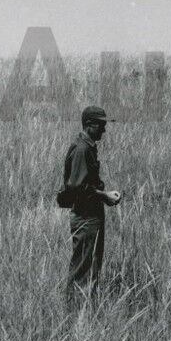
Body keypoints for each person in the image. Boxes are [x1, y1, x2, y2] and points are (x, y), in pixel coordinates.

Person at [57, 105, 122, 299]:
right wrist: (105, 196)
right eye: (100, 125)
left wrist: (103, 195)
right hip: (85, 217)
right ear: (88, 125)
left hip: (91, 215)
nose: (104, 129)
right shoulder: (82, 149)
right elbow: (77, 187)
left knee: (90, 267)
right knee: (82, 271)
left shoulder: (87, 146)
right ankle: (75, 315)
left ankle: (84, 312)